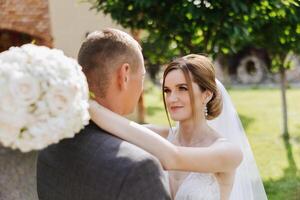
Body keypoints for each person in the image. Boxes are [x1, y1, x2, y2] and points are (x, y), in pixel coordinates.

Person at [89, 54, 268, 200]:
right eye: (167, 90)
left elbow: (172, 158)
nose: (172, 98)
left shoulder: (229, 152)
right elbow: (120, 128)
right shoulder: (160, 135)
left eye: (182, 88)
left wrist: (88, 104)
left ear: (206, 94)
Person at [36, 28, 171, 200]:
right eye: (142, 77)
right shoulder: (139, 169)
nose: (142, 87)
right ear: (124, 75)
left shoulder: (51, 146)